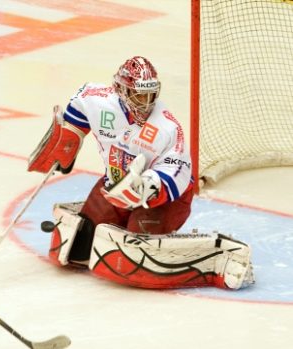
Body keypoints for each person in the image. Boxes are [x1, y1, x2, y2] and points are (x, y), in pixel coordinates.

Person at [28, 56, 254, 289]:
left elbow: (177, 172)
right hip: (116, 187)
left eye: (150, 95)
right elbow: (80, 102)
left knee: (133, 255)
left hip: (165, 200)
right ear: (121, 90)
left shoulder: (167, 127)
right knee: (77, 247)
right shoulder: (99, 99)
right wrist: (71, 135)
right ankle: (120, 218)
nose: (146, 103)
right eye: (139, 95)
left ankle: (214, 260)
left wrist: (149, 185)